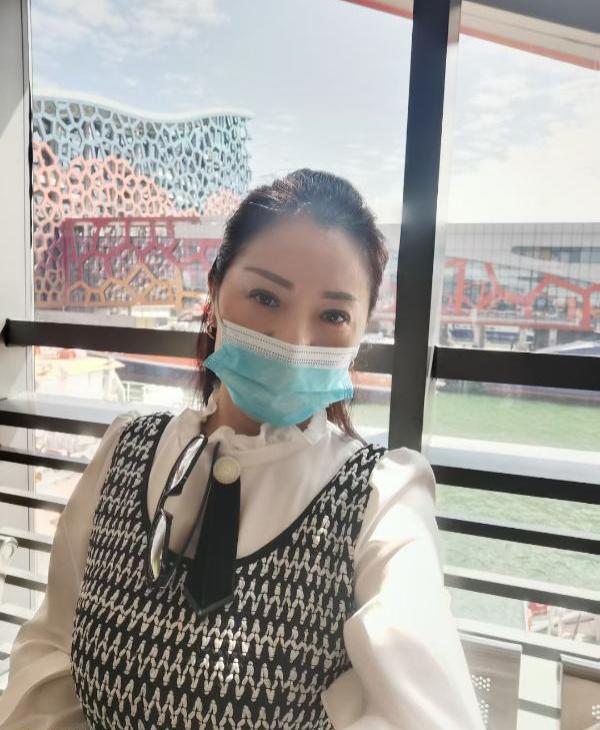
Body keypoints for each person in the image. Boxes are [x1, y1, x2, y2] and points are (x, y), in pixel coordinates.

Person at [0, 169, 484, 729]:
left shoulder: (383, 500)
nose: (294, 340)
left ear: (359, 334)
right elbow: (52, 645)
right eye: (265, 297)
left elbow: (429, 714)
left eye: (333, 314)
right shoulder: (125, 449)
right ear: (213, 293)